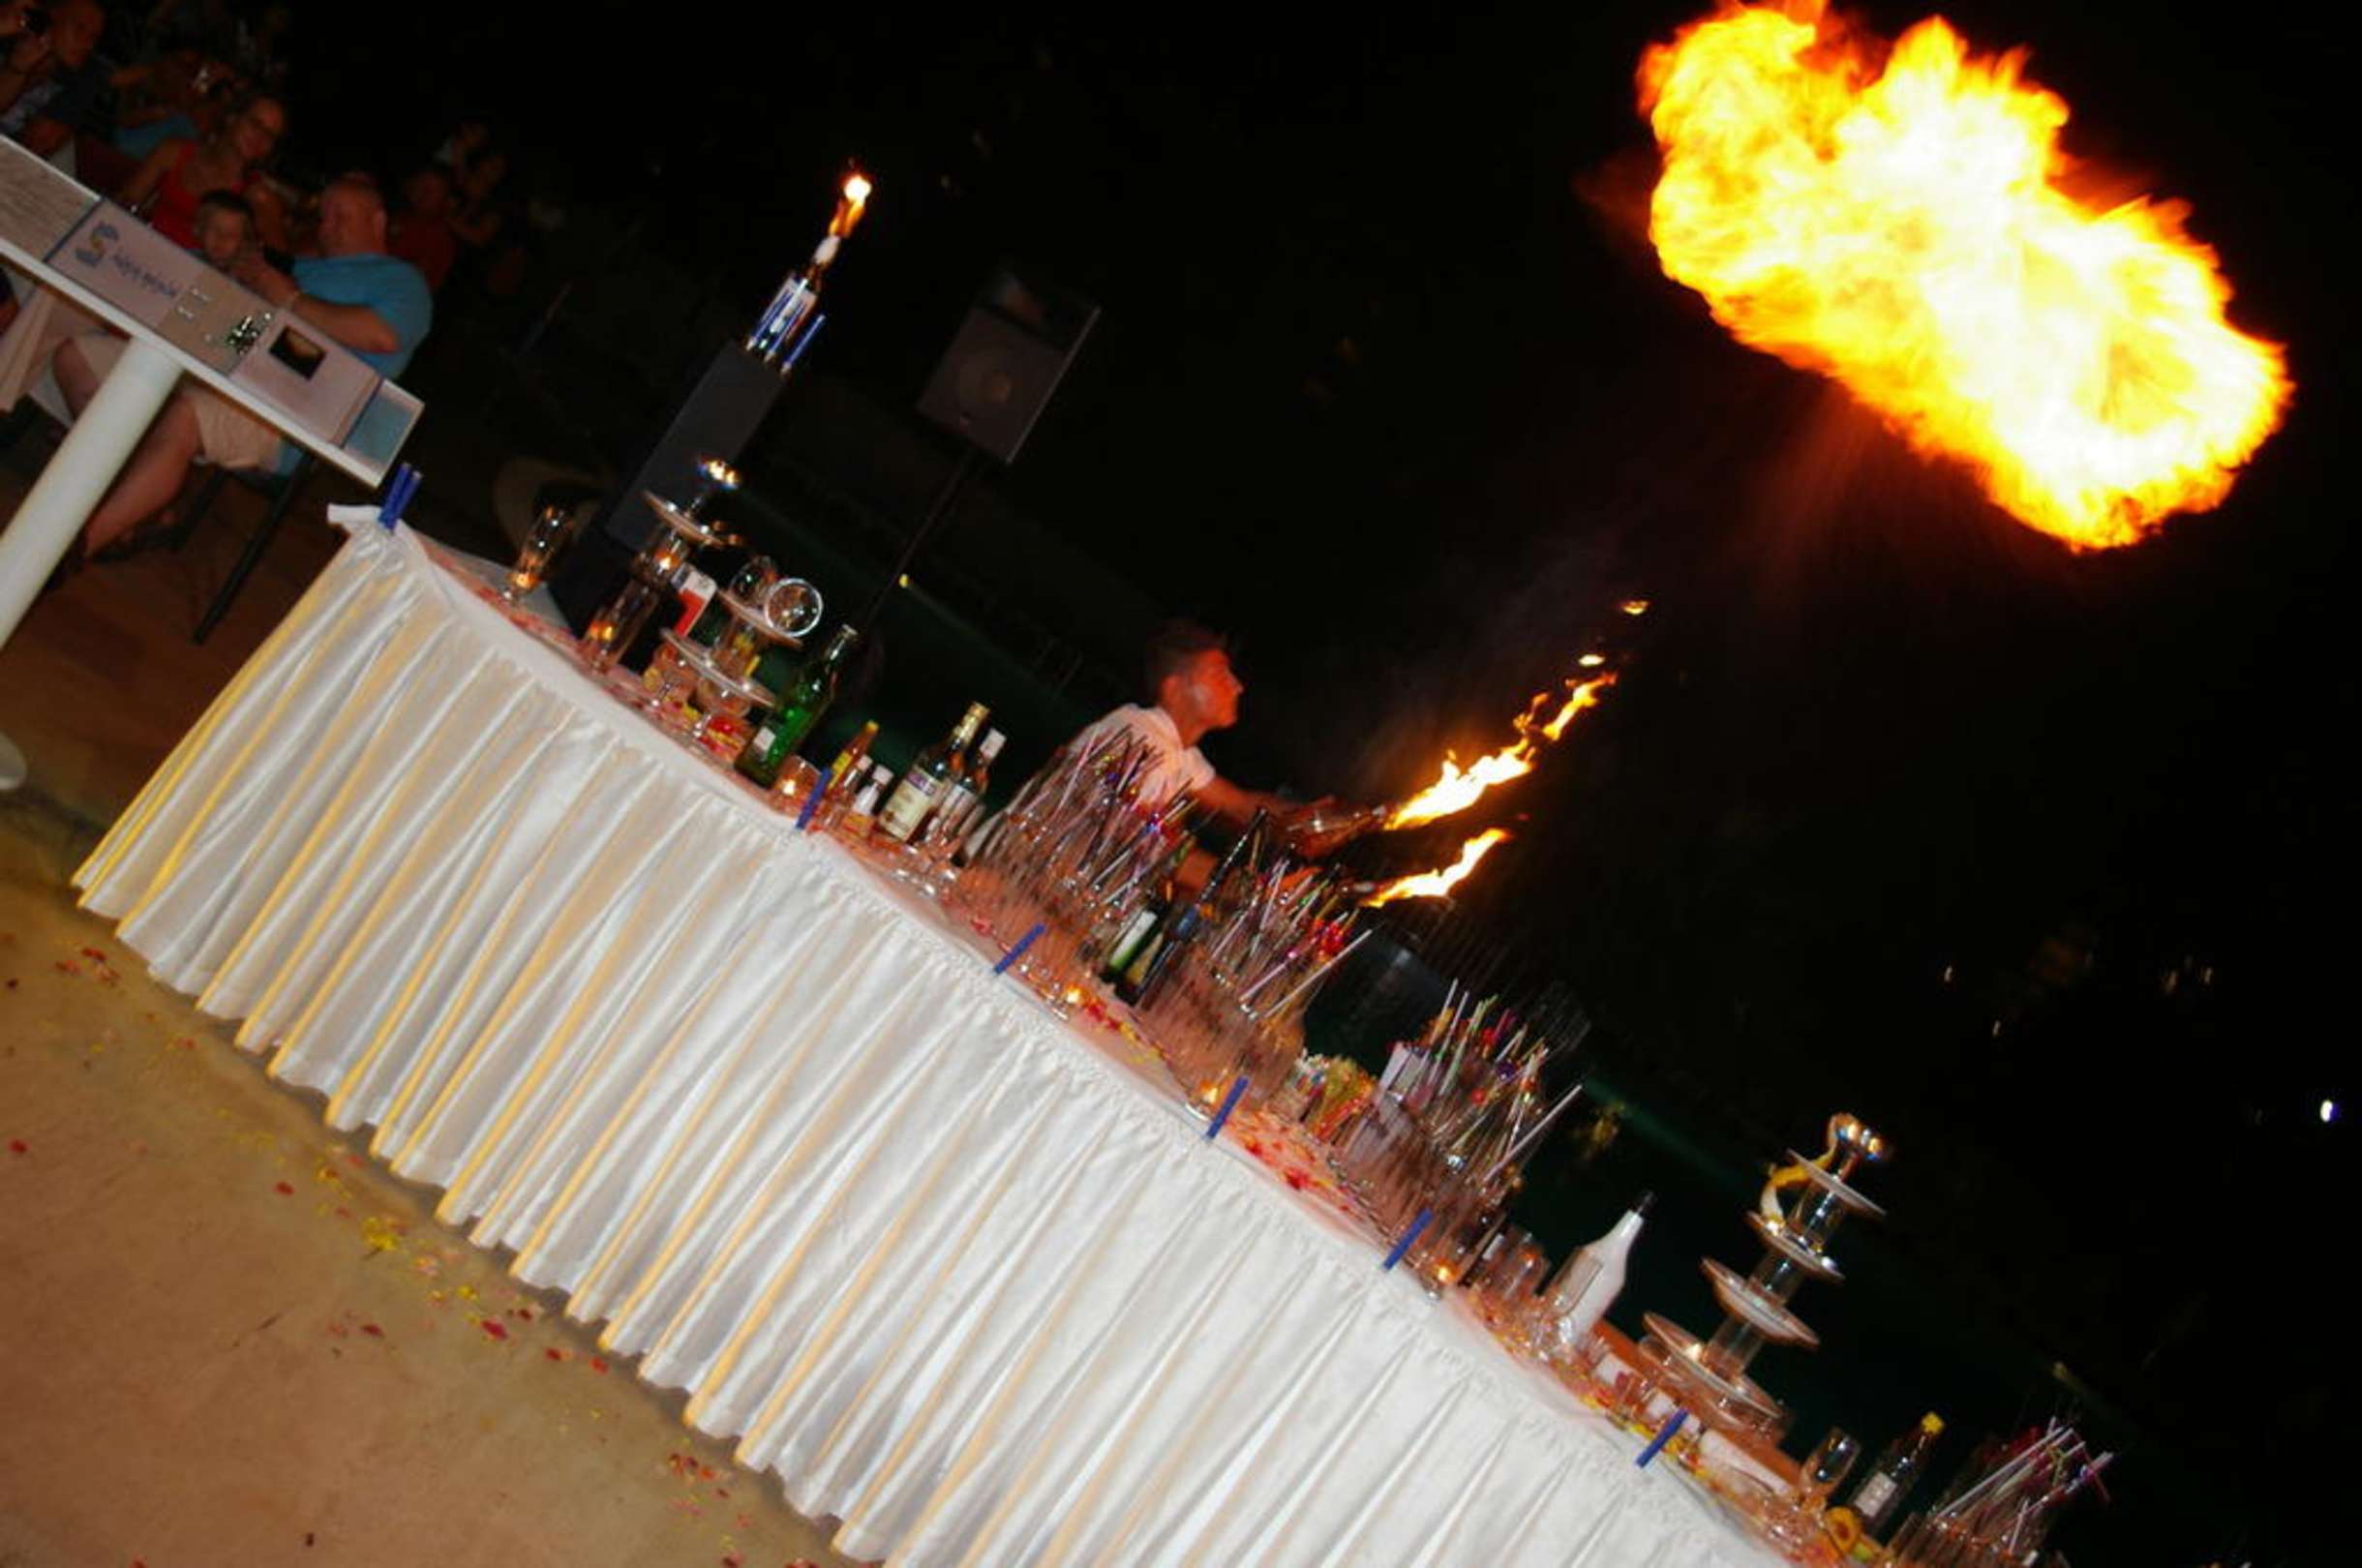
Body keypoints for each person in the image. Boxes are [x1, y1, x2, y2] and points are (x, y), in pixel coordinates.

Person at [49, 178, 432, 559]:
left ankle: (74, 548)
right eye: (324, 216)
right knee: (78, 356)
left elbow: (381, 336)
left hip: (289, 421)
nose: (327, 225)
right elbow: (247, 332)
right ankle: (134, 500)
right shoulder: (302, 267)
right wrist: (236, 290)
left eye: (341, 216)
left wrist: (290, 299)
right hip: (225, 376)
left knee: (185, 413)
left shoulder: (403, 282)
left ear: (377, 221)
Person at [1069, 619, 1319, 827]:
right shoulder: (1143, 741)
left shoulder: (1182, 754)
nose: (1237, 687)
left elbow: (1239, 805)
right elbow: (1139, 848)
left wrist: (1317, 819)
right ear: (1174, 690)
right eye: (1219, 675)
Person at [115, 92, 288, 252]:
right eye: (256, 124)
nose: (260, 137)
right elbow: (123, 205)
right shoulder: (173, 153)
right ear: (232, 118)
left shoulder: (258, 197)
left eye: (270, 135)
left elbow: (278, 262)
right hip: (137, 254)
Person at [0, 0, 106, 157]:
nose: (87, 45)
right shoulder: (9, 43)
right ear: (52, 18)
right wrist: (18, 69)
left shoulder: (78, 79)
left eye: (93, 38)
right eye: (80, 29)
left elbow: (36, 147)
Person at [387, 166, 458, 291]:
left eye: (434, 190)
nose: (424, 193)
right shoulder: (398, 214)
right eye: (421, 185)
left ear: (446, 199)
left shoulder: (439, 239)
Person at [191, 187, 250, 269]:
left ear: (243, 243)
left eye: (231, 234)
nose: (222, 238)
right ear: (199, 229)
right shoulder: (185, 258)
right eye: (216, 229)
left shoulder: (242, 274)